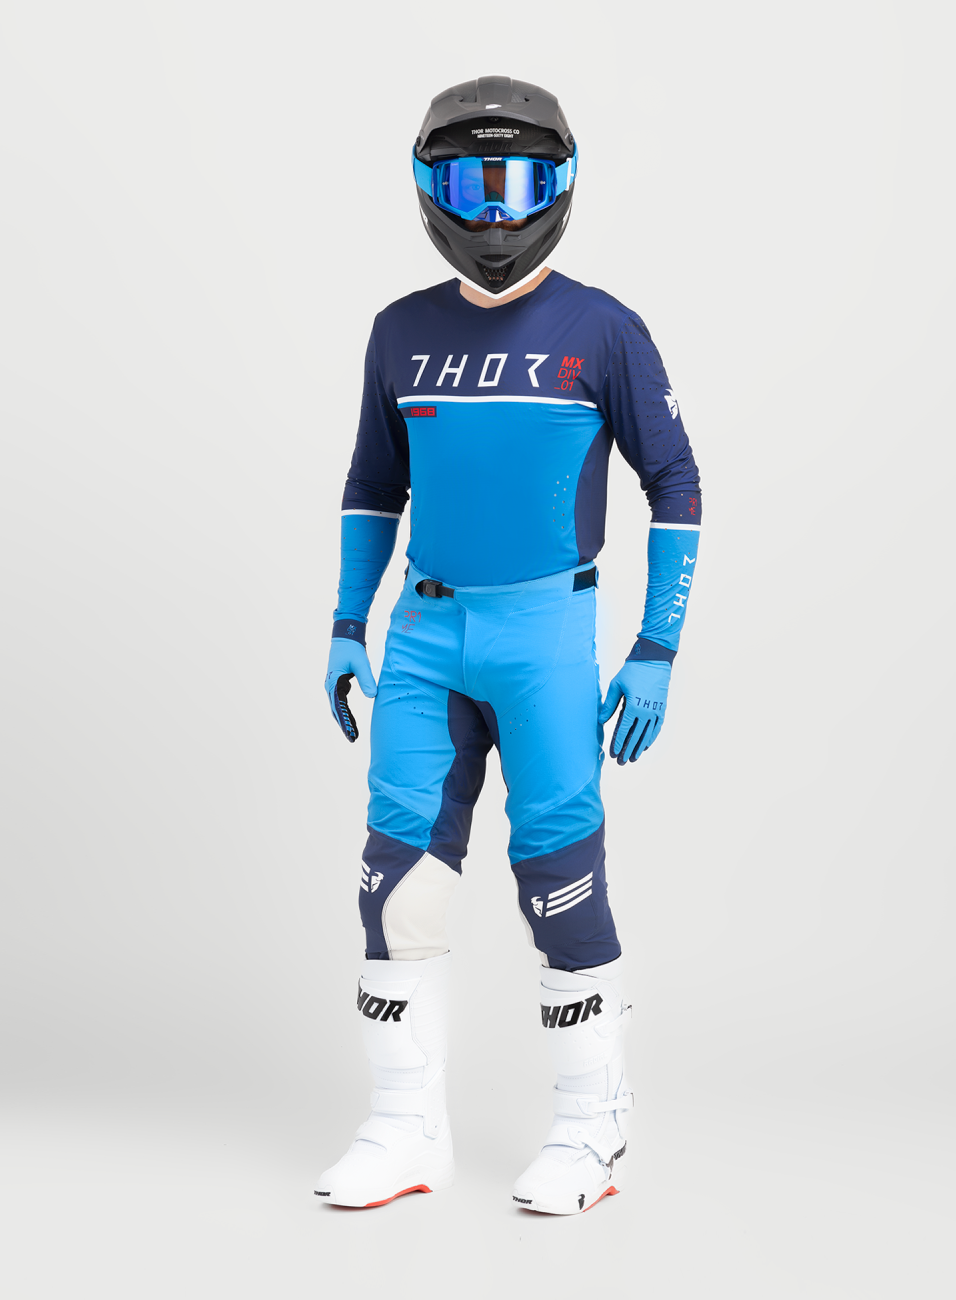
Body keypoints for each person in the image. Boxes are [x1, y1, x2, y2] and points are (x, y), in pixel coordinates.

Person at [314, 75, 702, 1215]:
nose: (495, 214)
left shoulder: (603, 329)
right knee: (396, 888)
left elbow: (675, 481)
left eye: (521, 183)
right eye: (470, 185)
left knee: (559, 879)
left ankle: (592, 1127)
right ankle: (404, 1130)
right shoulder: (398, 332)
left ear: (562, 187)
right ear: (426, 189)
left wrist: (656, 646)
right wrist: (346, 622)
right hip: (423, 638)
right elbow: (371, 483)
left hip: (544, 635)